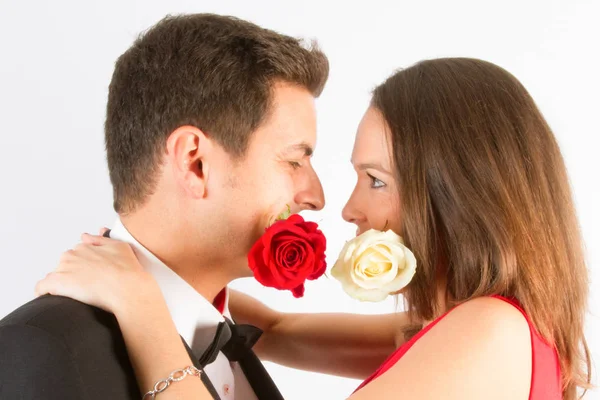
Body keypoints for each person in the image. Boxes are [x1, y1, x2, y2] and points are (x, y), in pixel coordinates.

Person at [35, 57, 591, 400]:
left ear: (457, 193)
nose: (343, 207)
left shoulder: (489, 332)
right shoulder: (467, 328)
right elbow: (274, 331)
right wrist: (165, 270)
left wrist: (140, 306)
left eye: (375, 180)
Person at [0, 13, 329, 400]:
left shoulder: (232, 336)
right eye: (294, 161)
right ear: (195, 163)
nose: (316, 197)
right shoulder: (44, 348)